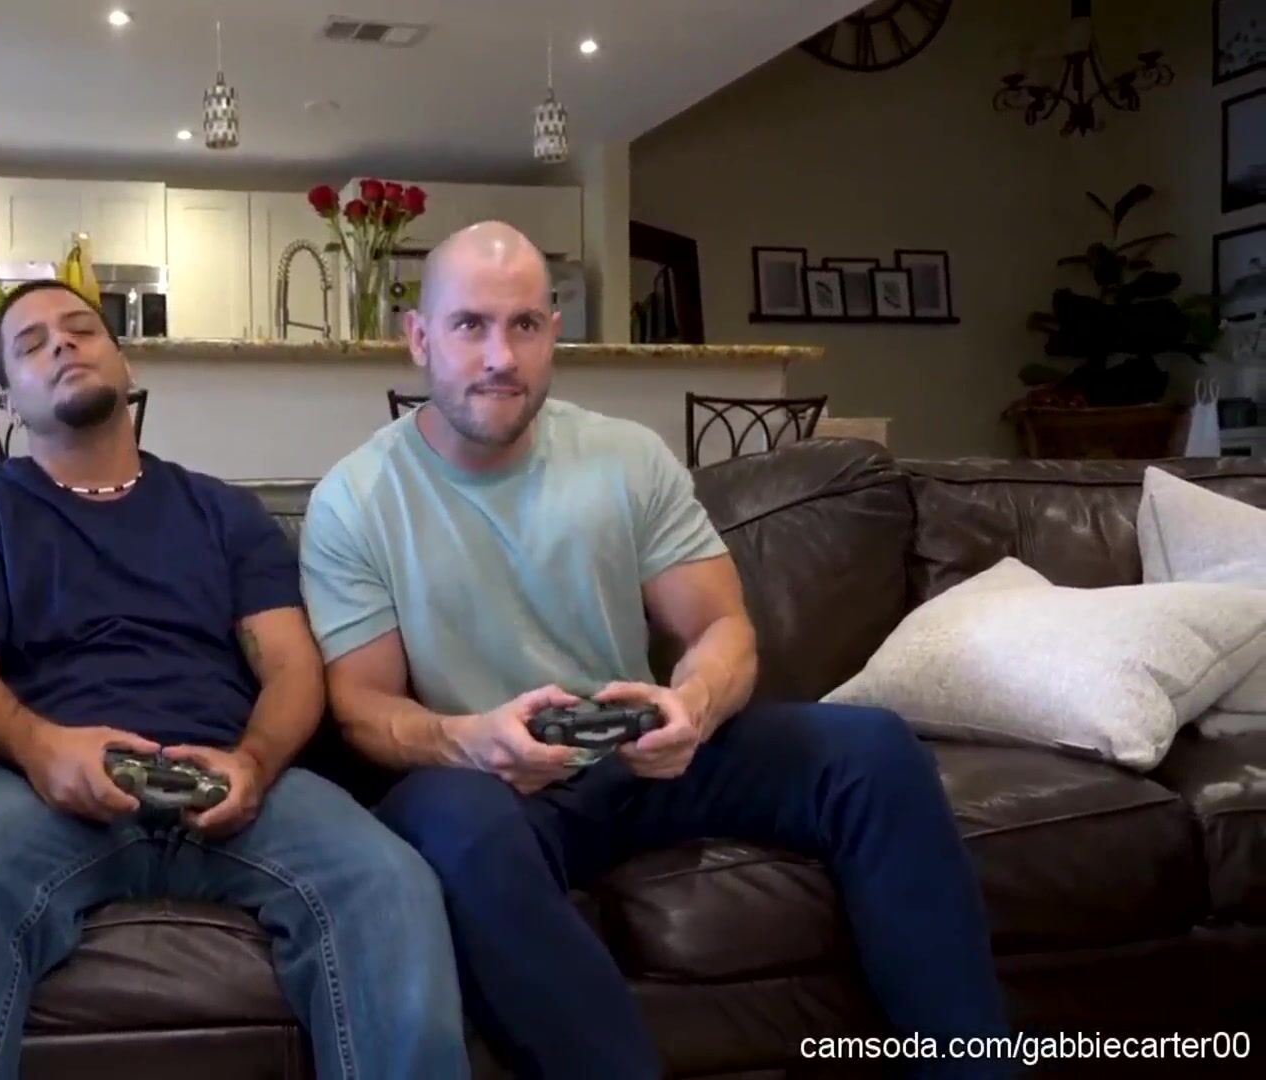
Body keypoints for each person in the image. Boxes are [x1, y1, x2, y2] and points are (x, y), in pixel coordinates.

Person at [297, 221, 1013, 1078]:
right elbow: (362, 707)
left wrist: (693, 706)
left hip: (641, 757)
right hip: (493, 783)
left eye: (523, 325)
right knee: (450, 826)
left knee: (873, 748)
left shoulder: (626, 458)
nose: (500, 357)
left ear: (553, 332)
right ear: (418, 338)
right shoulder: (356, 500)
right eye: (469, 326)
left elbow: (721, 628)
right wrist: (471, 739)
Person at [0, 279, 470, 1080]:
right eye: (33, 344)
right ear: (8, 401)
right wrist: (41, 749)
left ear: (126, 362)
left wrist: (254, 763)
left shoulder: (223, 512)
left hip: (230, 778)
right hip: (44, 787)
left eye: (81, 329)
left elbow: (292, 664)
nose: (62, 344)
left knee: (390, 880)